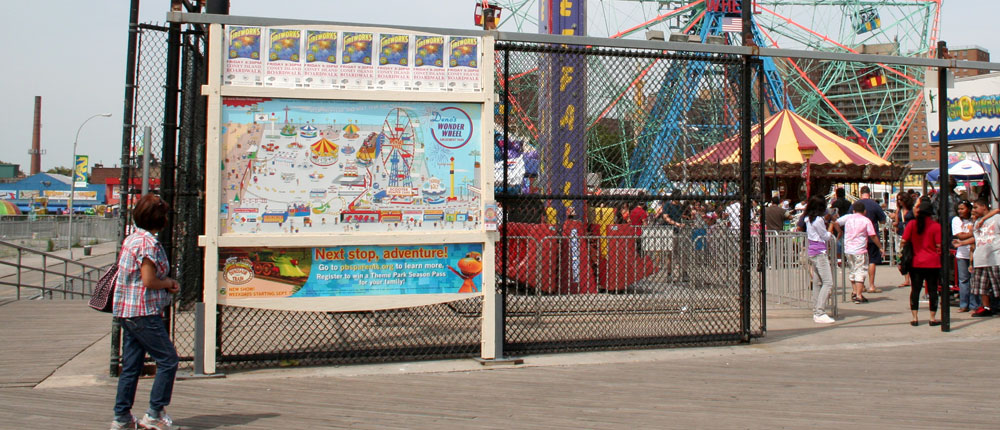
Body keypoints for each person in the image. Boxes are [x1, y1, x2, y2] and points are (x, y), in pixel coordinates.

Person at [111, 194, 180, 430]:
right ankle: (154, 413)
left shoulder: (132, 239)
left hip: (128, 311)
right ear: (159, 219)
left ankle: (122, 418)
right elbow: (149, 280)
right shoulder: (148, 244)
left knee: (131, 366)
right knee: (168, 360)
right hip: (144, 311)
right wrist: (169, 283)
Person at [954, 198, 1000, 317]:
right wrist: (961, 243)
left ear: (984, 207)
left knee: (997, 283)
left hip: (995, 256)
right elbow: (976, 237)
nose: (973, 210)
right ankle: (986, 307)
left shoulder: (996, 218)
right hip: (980, 257)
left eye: (975, 207)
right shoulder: (977, 222)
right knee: (981, 285)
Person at [901, 200, 941, 326]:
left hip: (916, 262)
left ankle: (915, 317)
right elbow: (939, 245)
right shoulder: (936, 226)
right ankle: (932, 318)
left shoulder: (912, 224)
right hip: (933, 262)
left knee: (915, 290)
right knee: (933, 291)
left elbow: (903, 241)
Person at [834, 201, 883, 305]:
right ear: (864, 211)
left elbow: (836, 222)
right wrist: (880, 247)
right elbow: (872, 235)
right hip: (860, 249)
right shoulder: (866, 220)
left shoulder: (848, 217)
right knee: (860, 271)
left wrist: (840, 231)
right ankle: (859, 295)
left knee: (852, 270)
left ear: (854, 210)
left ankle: (855, 291)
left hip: (848, 248)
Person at [801, 195, 836, 324]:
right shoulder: (819, 220)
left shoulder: (807, 219)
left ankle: (816, 310)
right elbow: (825, 236)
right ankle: (820, 311)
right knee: (828, 282)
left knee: (817, 282)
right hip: (820, 252)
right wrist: (831, 227)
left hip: (812, 250)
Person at [853, 186, 886, 294]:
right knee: (872, 260)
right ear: (870, 193)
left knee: (860, 262)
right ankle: (872, 285)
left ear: (860, 193)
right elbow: (882, 220)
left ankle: (860, 286)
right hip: (872, 236)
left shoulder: (856, 204)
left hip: (858, 237)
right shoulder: (875, 205)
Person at [952, 200, 978, 312]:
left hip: (975, 253)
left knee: (974, 280)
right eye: (959, 209)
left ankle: (974, 305)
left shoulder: (975, 219)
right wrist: (974, 232)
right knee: (963, 280)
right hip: (962, 254)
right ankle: (963, 304)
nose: (960, 211)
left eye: (963, 208)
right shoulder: (956, 220)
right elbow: (960, 236)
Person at [893, 193, 916, 288]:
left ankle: (912, 278)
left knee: (911, 256)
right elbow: (896, 222)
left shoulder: (912, 210)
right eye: (898, 200)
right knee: (901, 257)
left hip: (911, 236)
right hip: (900, 235)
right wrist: (895, 225)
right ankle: (906, 279)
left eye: (901, 200)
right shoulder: (899, 210)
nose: (899, 202)